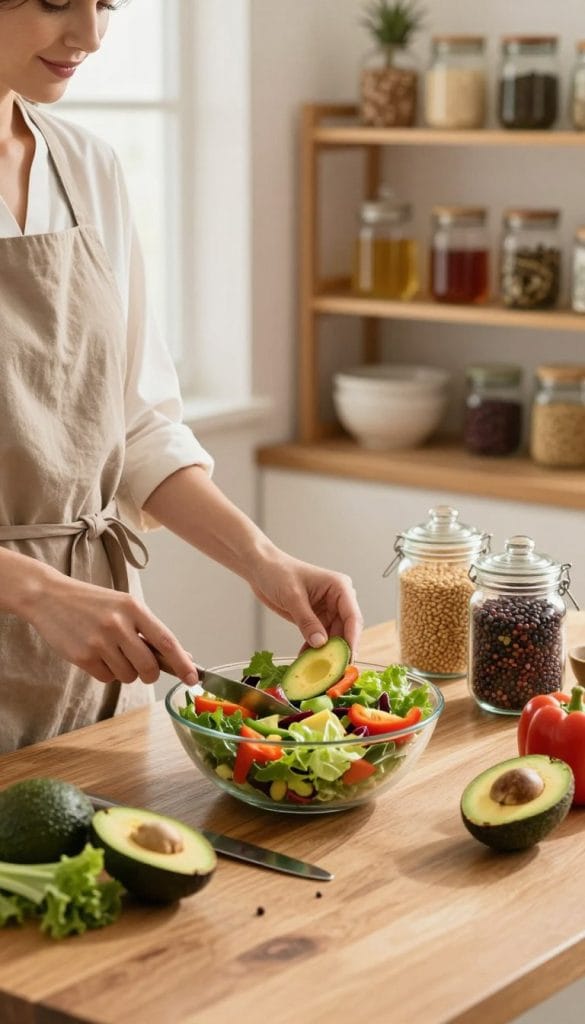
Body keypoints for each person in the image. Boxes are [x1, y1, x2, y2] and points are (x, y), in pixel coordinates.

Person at [0, 0, 363, 754]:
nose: (90, 36)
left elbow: (131, 426)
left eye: (107, 4)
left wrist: (263, 560)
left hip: (93, 667)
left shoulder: (86, 167)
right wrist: (35, 591)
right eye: (54, 2)